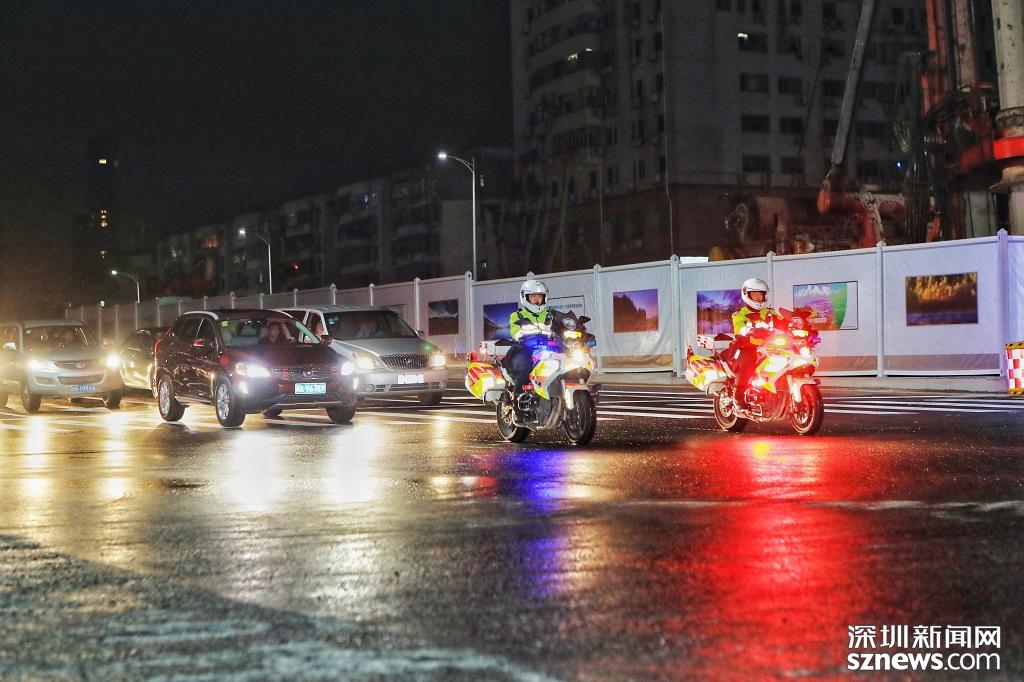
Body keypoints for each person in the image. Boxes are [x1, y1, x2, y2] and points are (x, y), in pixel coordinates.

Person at [728, 277, 781, 408]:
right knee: (747, 365)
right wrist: (751, 330)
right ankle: (738, 397)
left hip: (768, 347)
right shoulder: (740, 314)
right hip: (746, 347)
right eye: (755, 295)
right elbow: (739, 328)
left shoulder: (769, 312)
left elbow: (782, 322)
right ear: (747, 295)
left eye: (760, 295)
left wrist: (797, 324)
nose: (758, 298)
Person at [504, 279, 552, 398]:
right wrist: (522, 334)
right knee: (526, 366)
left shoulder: (550, 315)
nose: (537, 299)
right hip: (523, 349)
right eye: (533, 296)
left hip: (548, 349)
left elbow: (561, 327)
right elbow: (516, 332)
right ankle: (517, 396)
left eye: (540, 296)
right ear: (525, 298)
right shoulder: (517, 315)